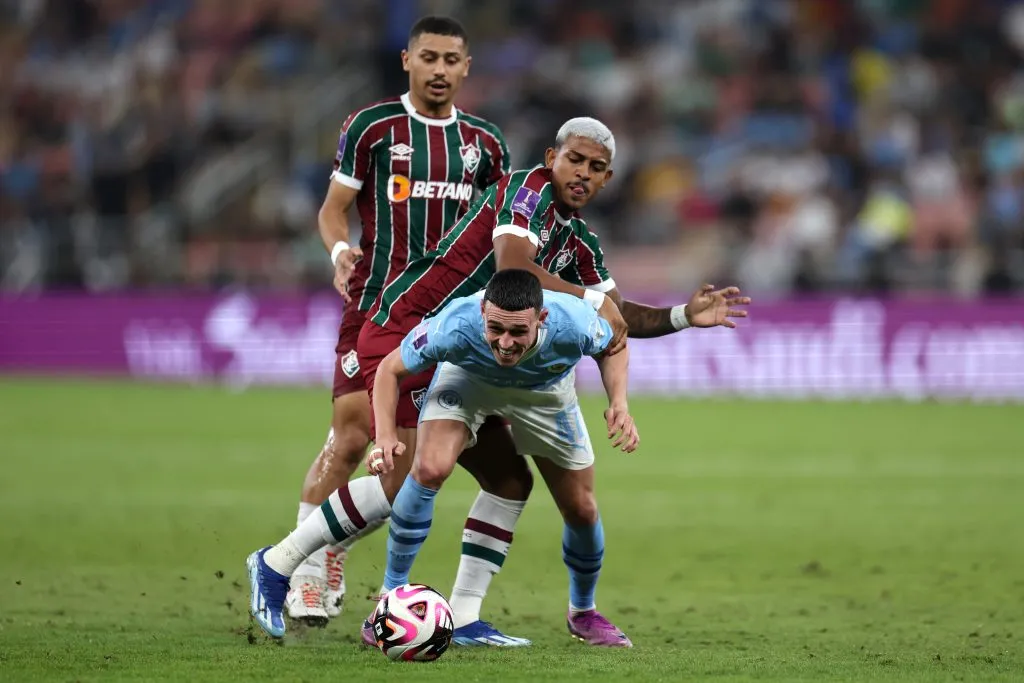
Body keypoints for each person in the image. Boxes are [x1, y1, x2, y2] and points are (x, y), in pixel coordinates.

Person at [246, 116, 750, 645]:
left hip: (469, 352)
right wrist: (590, 299)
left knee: (509, 481)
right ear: (553, 156)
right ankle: (278, 564)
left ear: (607, 179)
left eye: (596, 168)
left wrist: (681, 317)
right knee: (408, 477)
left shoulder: (576, 241)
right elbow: (514, 267)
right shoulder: (527, 190)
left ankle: (462, 618)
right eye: (574, 159)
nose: (581, 173)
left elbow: (615, 319)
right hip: (409, 325)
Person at [287, 14, 532, 631]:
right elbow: (333, 209)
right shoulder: (371, 127)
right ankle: (304, 574)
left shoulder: (486, 144)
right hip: (373, 301)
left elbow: (498, 228)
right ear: (407, 60)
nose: (441, 70)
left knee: (404, 466)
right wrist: (340, 252)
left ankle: (332, 546)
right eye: (430, 58)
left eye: (452, 60)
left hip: (449, 318)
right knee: (350, 436)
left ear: (467, 67)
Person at [372, 269, 639, 646]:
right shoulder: (456, 323)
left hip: (545, 392)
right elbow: (389, 369)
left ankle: (583, 612)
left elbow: (614, 345)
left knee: (582, 509)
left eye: (518, 332)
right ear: (482, 312)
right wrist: (384, 435)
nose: (505, 343)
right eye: (495, 328)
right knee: (430, 467)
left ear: (541, 319)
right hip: (468, 380)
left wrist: (619, 403)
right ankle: (389, 597)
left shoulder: (573, 323)